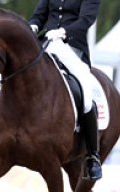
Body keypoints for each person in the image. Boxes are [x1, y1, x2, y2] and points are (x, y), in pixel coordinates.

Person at [29, 0, 102, 180]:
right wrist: (32, 26)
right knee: (12, 74)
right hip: (46, 43)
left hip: (73, 46)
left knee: (85, 90)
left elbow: (86, 19)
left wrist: (64, 32)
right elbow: (39, 15)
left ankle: (93, 155)